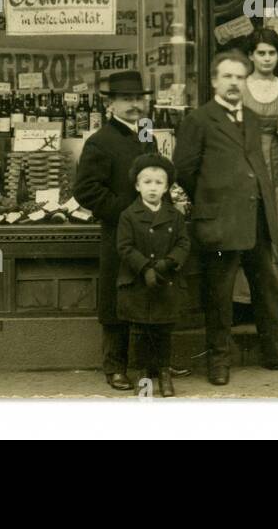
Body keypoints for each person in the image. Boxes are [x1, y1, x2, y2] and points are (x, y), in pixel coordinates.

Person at [173, 50, 278, 385]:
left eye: (240, 77)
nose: (234, 83)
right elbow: (184, 170)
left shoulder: (251, 118)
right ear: (214, 81)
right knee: (219, 296)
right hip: (220, 221)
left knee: (267, 290)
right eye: (228, 77)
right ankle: (219, 361)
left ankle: (276, 353)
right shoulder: (199, 119)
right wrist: (213, 201)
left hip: (257, 220)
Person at [73, 70, 189, 391]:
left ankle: (150, 365)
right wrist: (125, 214)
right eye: (126, 100)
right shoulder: (99, 141)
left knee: (146, 297)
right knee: (116, 299)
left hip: (152, 233)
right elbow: (85, 190)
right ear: (111, 105)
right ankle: (115, 368)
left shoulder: (145, 136)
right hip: (118, 235)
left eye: (138, 99)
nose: (134, 105)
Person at [116, 154, 191, 398]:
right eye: (147, 182)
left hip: (165, 281)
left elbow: (183, 243)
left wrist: (168, 263)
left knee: (163, 332)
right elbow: (124, 247)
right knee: (139, 331)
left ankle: (164, 374)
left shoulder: (175, 216)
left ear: (167, 187)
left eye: (159, 183)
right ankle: (142, 375)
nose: (152, 188)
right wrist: (145, 268)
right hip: (138, 283)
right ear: (137, 186)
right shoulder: (129, 215)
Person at [233, 28, 278, 304]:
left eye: (272, 53)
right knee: (248, 220)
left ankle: (276, 295)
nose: (267, 58)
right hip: (245, 158)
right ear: (251, 56)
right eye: (261, 53)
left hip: (277, 162)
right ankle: (243, 297)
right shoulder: (240, 88)